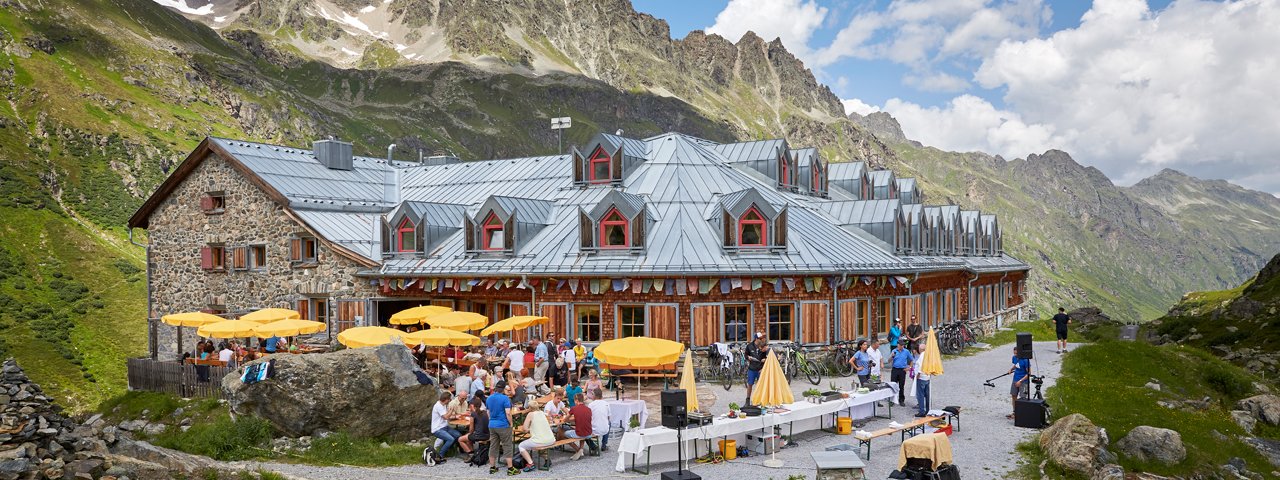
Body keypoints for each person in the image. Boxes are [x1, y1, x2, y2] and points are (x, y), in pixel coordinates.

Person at [487, 381, 518, 475]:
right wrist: (511, 423)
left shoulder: (489, 398)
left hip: (492, 424)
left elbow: (488, 413)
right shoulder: (505, 398)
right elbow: (508, 413)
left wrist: (491, 421)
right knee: (507, 445)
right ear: (504, 389)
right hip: (503, 425)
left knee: (493, 446)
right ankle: (510, 468)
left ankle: (492, 467)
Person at [517, 400, 555, 472]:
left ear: (530, 408)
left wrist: (529, 429)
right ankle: (547, 459)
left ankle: (530, 463)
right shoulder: (542, 413)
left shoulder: (530, 414)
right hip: (551, 439)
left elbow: (524, 429)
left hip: (540, 441)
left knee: (521, 446)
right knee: (538, 444)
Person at [431, 391, 470, 462]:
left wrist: (454, 415)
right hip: (438, 429)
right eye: (449, 399)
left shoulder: (443, 405)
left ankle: (456, 450)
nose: (450, 401)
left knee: (458, 435)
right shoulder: (438, 406)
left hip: (445, 427)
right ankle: (440, 455)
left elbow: (447, 416)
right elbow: (446, 417)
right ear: (446, 399)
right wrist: (451, 410)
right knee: (450, 439)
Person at [561, 392, 592, 460]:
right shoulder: (588, 409)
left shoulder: (574, 408)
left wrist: (566, 419)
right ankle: (581, 449)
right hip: (589, 433)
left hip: (580, 433)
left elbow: (565, 419)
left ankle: (578, 450)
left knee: (563, 434)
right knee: (581, 430)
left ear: (576, 400)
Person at [744, 332, 769, 405]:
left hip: (760, 369)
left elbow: (767, 356)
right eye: (760, 339)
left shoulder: (763, 346)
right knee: (750, 384)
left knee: (761, 385)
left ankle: (760, 400)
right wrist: (748, 357)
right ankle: (747, 400)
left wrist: (765, 360)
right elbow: (746, 354)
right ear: (756, 339)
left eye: (762, 338)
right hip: (752, 368)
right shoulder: (749, 346)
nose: (762, 340)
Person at [1008, 345, 1032, 419]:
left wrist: (1020, 381)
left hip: (1023, 381)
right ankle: (1015, 412)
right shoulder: (1014, 358)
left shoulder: (1025, 360)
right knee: (1013, 395)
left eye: (1016, 354)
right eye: (1014, 353)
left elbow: (1029, 374)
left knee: (1023, 398)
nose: (1015, 355)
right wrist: (1011, 369)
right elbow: (1016, 365)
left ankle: (1022, 414)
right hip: (1015, 379)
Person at [888, 341, 912, 406]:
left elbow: (911, 360)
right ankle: (892, 400)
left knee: (901, 385)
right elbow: (889, 361)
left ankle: (901, 400)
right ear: (897, 345)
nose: (901, 346)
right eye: (900, 345)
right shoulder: (894, 351)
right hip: (895, 369)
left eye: (903, 345)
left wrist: (909, 367)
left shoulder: (906, 351)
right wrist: (892, 356)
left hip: (902, 370)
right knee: (893, 385)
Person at [913, 342, 932, 417]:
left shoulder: (922, 356)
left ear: (921, 349)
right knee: (927, 394)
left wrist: (918, 374)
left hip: (922, 377)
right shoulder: (928, 355)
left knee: (920, 394)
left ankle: (921, 411)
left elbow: (920, 365)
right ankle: (928, 409)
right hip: (927, 376)